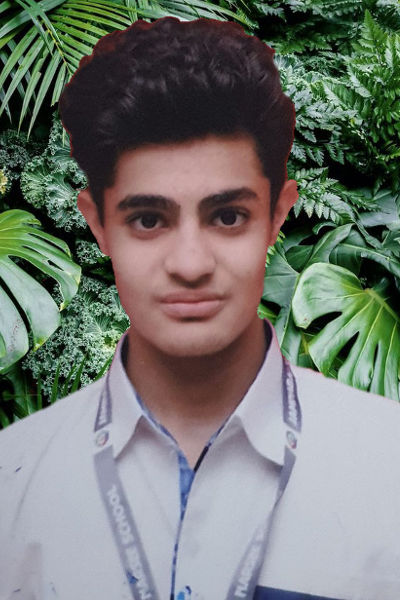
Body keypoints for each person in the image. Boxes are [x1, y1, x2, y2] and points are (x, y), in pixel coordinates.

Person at [1, 16, 400, 600]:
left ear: (278, 214)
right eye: (148, 220)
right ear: (98, 224)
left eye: (227, 216)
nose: (190, 263)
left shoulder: (387, 468)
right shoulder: (13, 486)